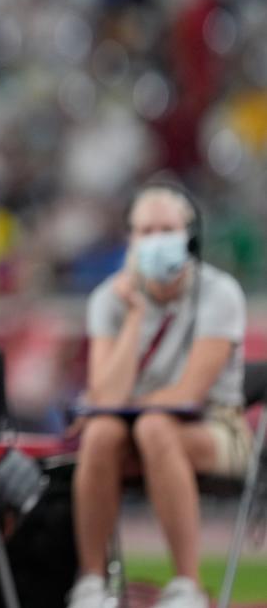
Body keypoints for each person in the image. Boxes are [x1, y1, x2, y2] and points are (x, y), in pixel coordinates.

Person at [66, 182, 250, 608]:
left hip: (214, 426)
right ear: (129, 239)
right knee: (100, 436)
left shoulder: (220, 294)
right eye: (145, 231)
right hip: (131, 429)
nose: (155, 240)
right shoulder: (108, 300)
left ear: (189, 236)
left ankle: (187, 584)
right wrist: (135, 316)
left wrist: (114, 406)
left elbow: (188, 394)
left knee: (154, 428)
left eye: (166, 229)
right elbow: (104, 397)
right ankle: (92, 584)